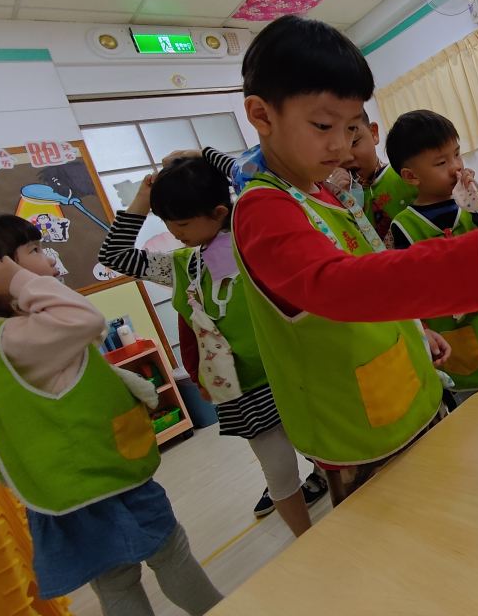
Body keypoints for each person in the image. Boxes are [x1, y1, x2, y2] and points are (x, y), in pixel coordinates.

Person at [230, 15, 478, 504]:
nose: (340, 145)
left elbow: (374, 271)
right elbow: (338, 286)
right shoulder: (263, 209)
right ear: (262, 116)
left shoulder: (322, 194)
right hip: (358, 428)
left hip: (406, 393)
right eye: (322, 125)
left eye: (351, 128)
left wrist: (414, 328)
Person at [0, 214, 222, 614]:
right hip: (104, 476)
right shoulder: (17, 336)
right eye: (34, 250)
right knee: (170, 553)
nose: (49, 259)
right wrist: (21, 281)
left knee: (116, 583)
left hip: (65, 489)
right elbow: (88, 320)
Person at [99, 155, 326, 536]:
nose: (174, 233)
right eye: (167, 223)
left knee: (328, 450)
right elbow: (115, 256)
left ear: (219, 212)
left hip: (298, 373)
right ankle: (308, 540)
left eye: (182, 223)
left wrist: (205, 156)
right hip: (246, 391)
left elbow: (268, 177)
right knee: (279, 472)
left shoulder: (256, 239)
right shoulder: (183, 265)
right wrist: (143, 198)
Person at [385, 109, 478, 399]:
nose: (456, 167)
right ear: (411, 176)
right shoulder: (404, 226)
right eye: (441, 162)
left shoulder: (474, 203)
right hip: (463, 345)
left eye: (457, 154)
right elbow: (409, 288)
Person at [343, 109, 418, 242]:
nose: (347, 157)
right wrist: (340, 200)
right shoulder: (340, 198)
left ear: (373, 133)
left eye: (354, 143)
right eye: (336, 151)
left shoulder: (407, 176)